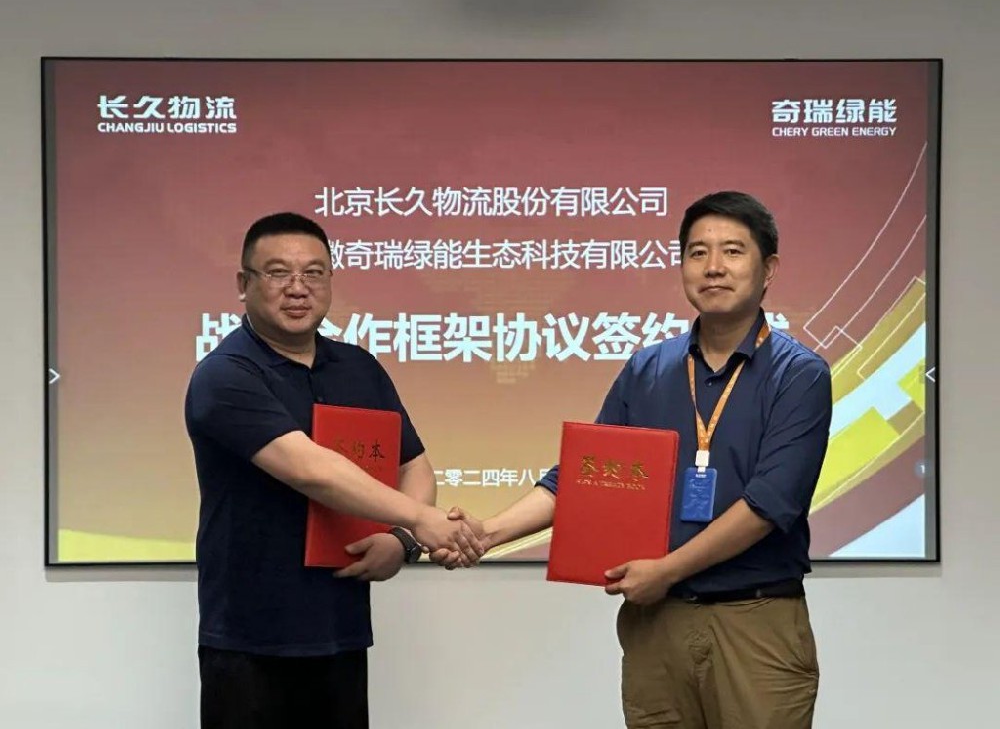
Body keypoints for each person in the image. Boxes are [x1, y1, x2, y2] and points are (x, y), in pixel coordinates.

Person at [438, 191, 832, 729]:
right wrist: (487, 533)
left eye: (733, 251)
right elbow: (582, 476)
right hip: (656, 623)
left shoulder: (799, 374)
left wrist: (666, 570)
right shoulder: (648, 369)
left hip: (754, 621)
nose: (713, 267)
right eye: (697, 252)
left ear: (769, 269)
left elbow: (769, 504)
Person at [184, 212, 483, 729]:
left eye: (314, 272)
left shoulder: (358, 368)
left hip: (340, 627)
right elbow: (311, 470)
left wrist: (402, 540)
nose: (297, 288)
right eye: (278, 272)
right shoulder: (226, 374)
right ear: (243, 284)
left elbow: (413, 465)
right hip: (248, 638)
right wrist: (423, 520)